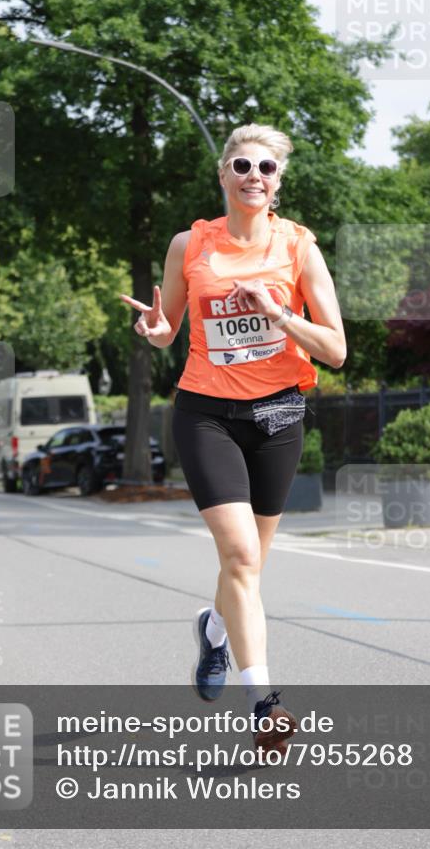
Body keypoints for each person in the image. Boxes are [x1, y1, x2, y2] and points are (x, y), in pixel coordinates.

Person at [120, 124, 346, 756]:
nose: (255, 175)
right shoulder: (189, 245)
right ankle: (264, 703)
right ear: (223, 175)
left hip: (277, 415)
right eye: (243, 164)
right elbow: (169, 330)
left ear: (278, 184)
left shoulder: (299, 248)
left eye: (267, 168)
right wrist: (158, 328)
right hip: (206, 413)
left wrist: (277, 313)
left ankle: (214, 630)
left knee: (248, 564)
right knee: (242, 558)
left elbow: (335, 351)